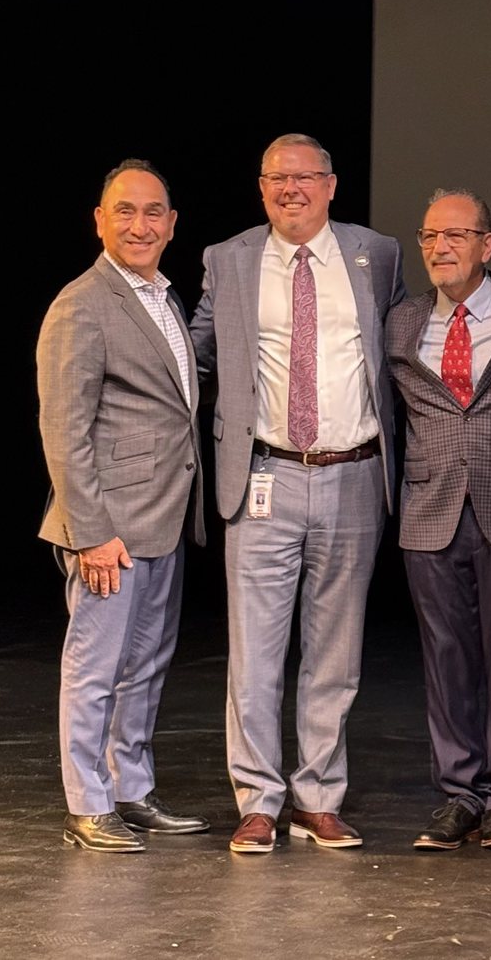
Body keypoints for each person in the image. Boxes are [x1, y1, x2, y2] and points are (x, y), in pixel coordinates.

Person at [189, 133, 406, 853]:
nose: (291, 189)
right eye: (277, 178)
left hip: (354, 472)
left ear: (331, 185)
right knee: (254, 653)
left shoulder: (378, 254)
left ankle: (318, 797)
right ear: (261, 188)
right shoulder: (229, 258)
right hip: (264, 473)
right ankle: (257, 801)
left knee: (335, 652)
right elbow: (194, 354)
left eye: (305, 177)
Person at [36, 159, 210, 853]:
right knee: (95, 665)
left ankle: (129, 789)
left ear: (172, 224)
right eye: (125, 211)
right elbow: (64, 428)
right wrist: (92, 531)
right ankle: (88, 803)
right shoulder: (82, 303)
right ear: (99, 221)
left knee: (144, 665)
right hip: (109, 526)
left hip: (162, 516)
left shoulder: (163, 297)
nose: (140, 225)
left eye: (153, 212)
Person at [386, 189, 491, 852]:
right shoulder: (400, 322)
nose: (440, 247)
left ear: (487, 244)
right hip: (430, 508)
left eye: (455, 235)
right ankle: (459, 793)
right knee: (446, 658)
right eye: (429, 236)